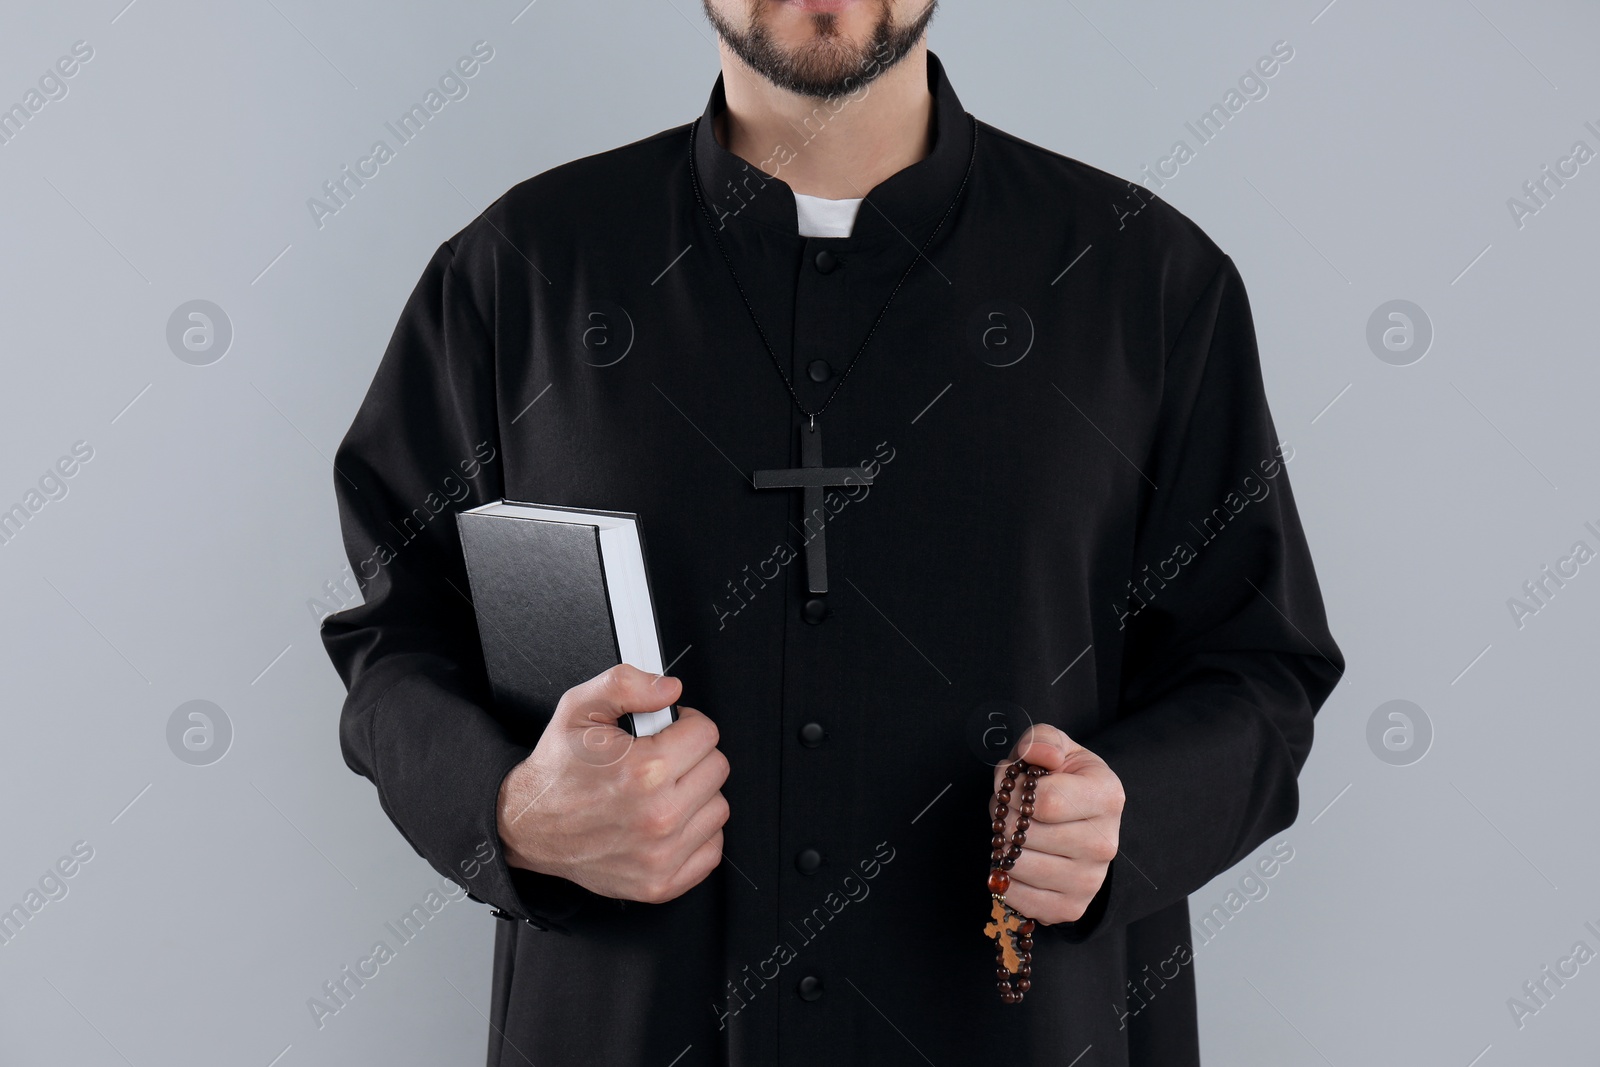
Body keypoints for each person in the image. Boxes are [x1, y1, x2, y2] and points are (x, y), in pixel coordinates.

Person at [320, 2, 1344, 1063]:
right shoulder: (517, 276)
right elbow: (398, 643)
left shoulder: (1149, 283)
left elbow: (1258, 668)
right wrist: (511, 807)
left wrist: (1132, 812)